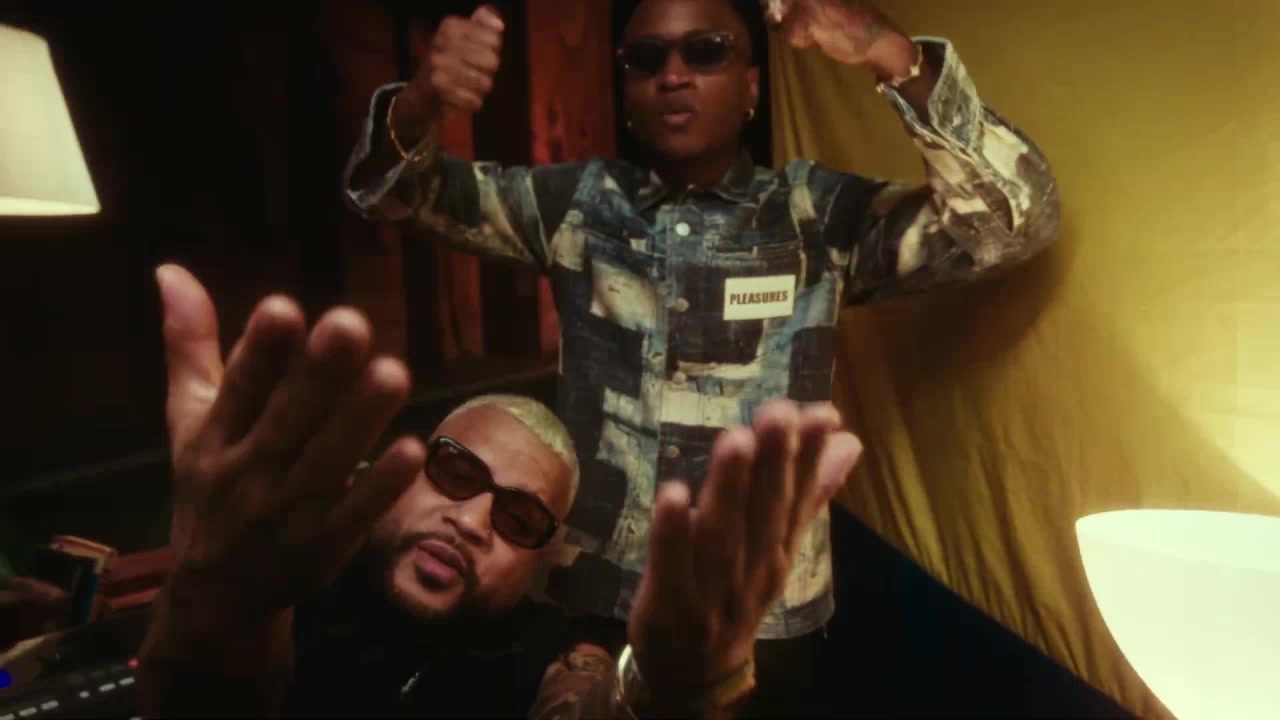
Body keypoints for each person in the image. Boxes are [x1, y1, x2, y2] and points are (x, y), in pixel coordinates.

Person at [343, 0, 1061, 712]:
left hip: (762, 615)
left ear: (751, 86)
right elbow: (395, 190)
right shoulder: (578, 204)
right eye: (646, 59)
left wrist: (890, 54)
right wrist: (422, 101)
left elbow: (1015, 222)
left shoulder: (814, 215)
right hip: (590, 608)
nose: (674, 75)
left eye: (706, 51)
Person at [137, 263, 863, 718]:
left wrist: (674, 691)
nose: (473, 521)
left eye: (519, 518)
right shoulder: (289, 580)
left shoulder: (539, 656)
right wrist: (216, 614)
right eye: (457, 474)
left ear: (540, 562)